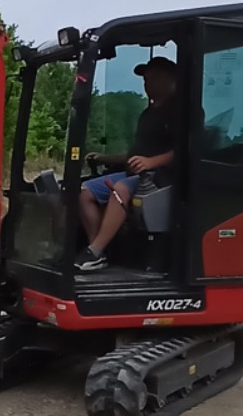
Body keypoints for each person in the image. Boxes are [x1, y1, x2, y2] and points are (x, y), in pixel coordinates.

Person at [75, 54, 180, 274]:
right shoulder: (148, 114)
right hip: (134, 174)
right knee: (83, 192)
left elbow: (185, 150)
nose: (146, 84)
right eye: (145, 79)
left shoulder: (182, 111)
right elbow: (135, 155)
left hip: (163, 179)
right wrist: (102, 158)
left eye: (152, 78)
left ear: (169, 79)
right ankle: (97, 252)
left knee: (120, 189)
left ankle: (94, 250)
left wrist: (151, 162)